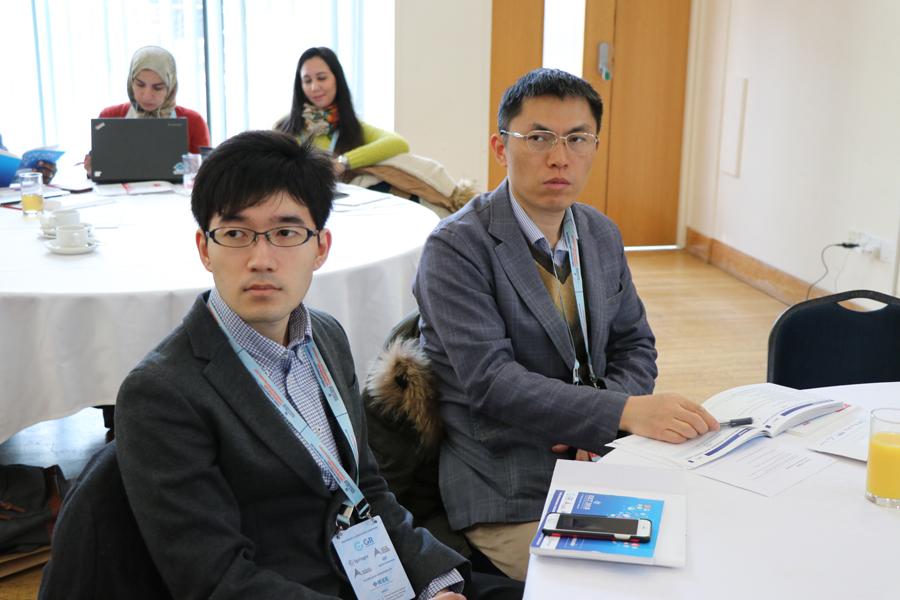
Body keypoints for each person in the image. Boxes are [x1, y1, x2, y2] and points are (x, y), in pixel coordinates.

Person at [114, 130, 520, 599]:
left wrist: (437, 583)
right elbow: (217, 580)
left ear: (321, 247)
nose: (261, 259)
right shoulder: (161, 393)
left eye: (286, 233)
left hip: (378, 577)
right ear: (205, 248)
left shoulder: (325, 337)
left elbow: (366, 488)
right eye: (236, 234)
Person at [413, 68, 719, 581]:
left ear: (595, 146)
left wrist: (603, 423)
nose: (560, 157)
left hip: (605, 454)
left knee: (696, 554)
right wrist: (620, 411)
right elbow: (491, 381)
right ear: (500, 147)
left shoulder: (600, 233)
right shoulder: (456, 247)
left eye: (577, 139)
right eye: (538, 138)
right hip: (509, 477)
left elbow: (635, 344)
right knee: (613, 583)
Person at [276, 46, 408, 176]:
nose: (314, 87)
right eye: (307, 81)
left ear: (337, 79)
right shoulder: (283, 128)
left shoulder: (353, 128)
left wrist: (344, 162)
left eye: (321, 78)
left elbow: (399, 143)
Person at [84, 45, 210, 172]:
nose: (147, 96)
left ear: (171, 87)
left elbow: (206, 177)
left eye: (158, 88)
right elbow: (101, 172)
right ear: (131, 82)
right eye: (140, 85)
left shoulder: (194, 122)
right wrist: (92, 169)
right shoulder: (110, 116)